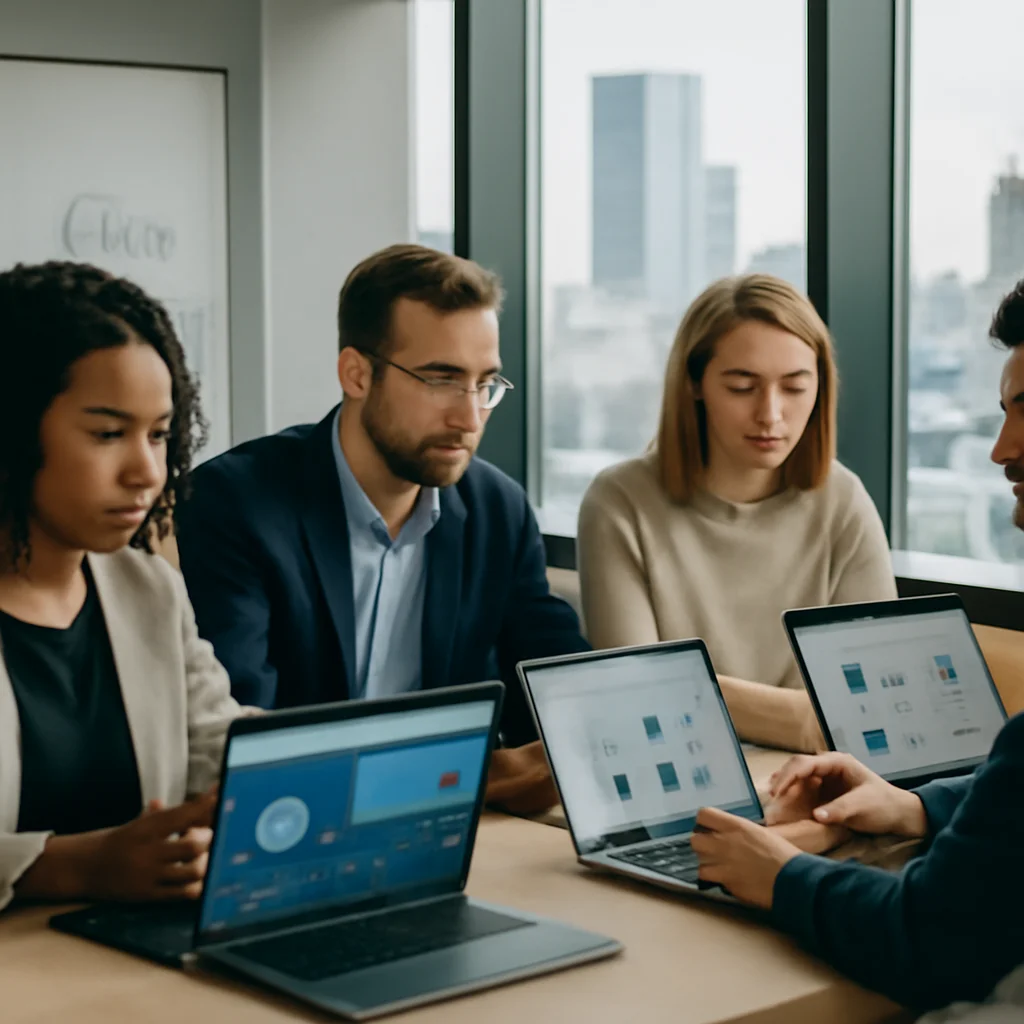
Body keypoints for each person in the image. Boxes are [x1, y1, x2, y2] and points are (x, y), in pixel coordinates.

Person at [690, 277, 1024, 1013]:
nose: (1001, 450)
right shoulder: (622, 501)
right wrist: (916, 808)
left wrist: (777, 875)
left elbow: (924, 942)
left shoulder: (842, 497)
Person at [176, 245, 588, 812]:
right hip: (293, 830)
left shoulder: (498, 509)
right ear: (357, 373)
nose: (469, 418)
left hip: (457, 835)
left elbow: (562, 688)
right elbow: (242, 747)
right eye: (440, 379)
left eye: (484, 384)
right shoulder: (235, 505)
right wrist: (465, 776)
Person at [0, 261, 246, 913]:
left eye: (160, 434)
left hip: (121, 967)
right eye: (109, 433)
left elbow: (221, 749)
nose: (147, 471)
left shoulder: (147, 589)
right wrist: (67, 867)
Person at [577, 275, 896, 752]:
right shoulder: (621, 502)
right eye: (743, 387)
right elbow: (639, 697)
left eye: (794, 388)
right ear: (694, 384)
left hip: (823, 780)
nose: (770, 414)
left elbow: (877, 702)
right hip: (679, 769)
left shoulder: (843, 500)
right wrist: (807, 719)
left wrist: (690, 687)